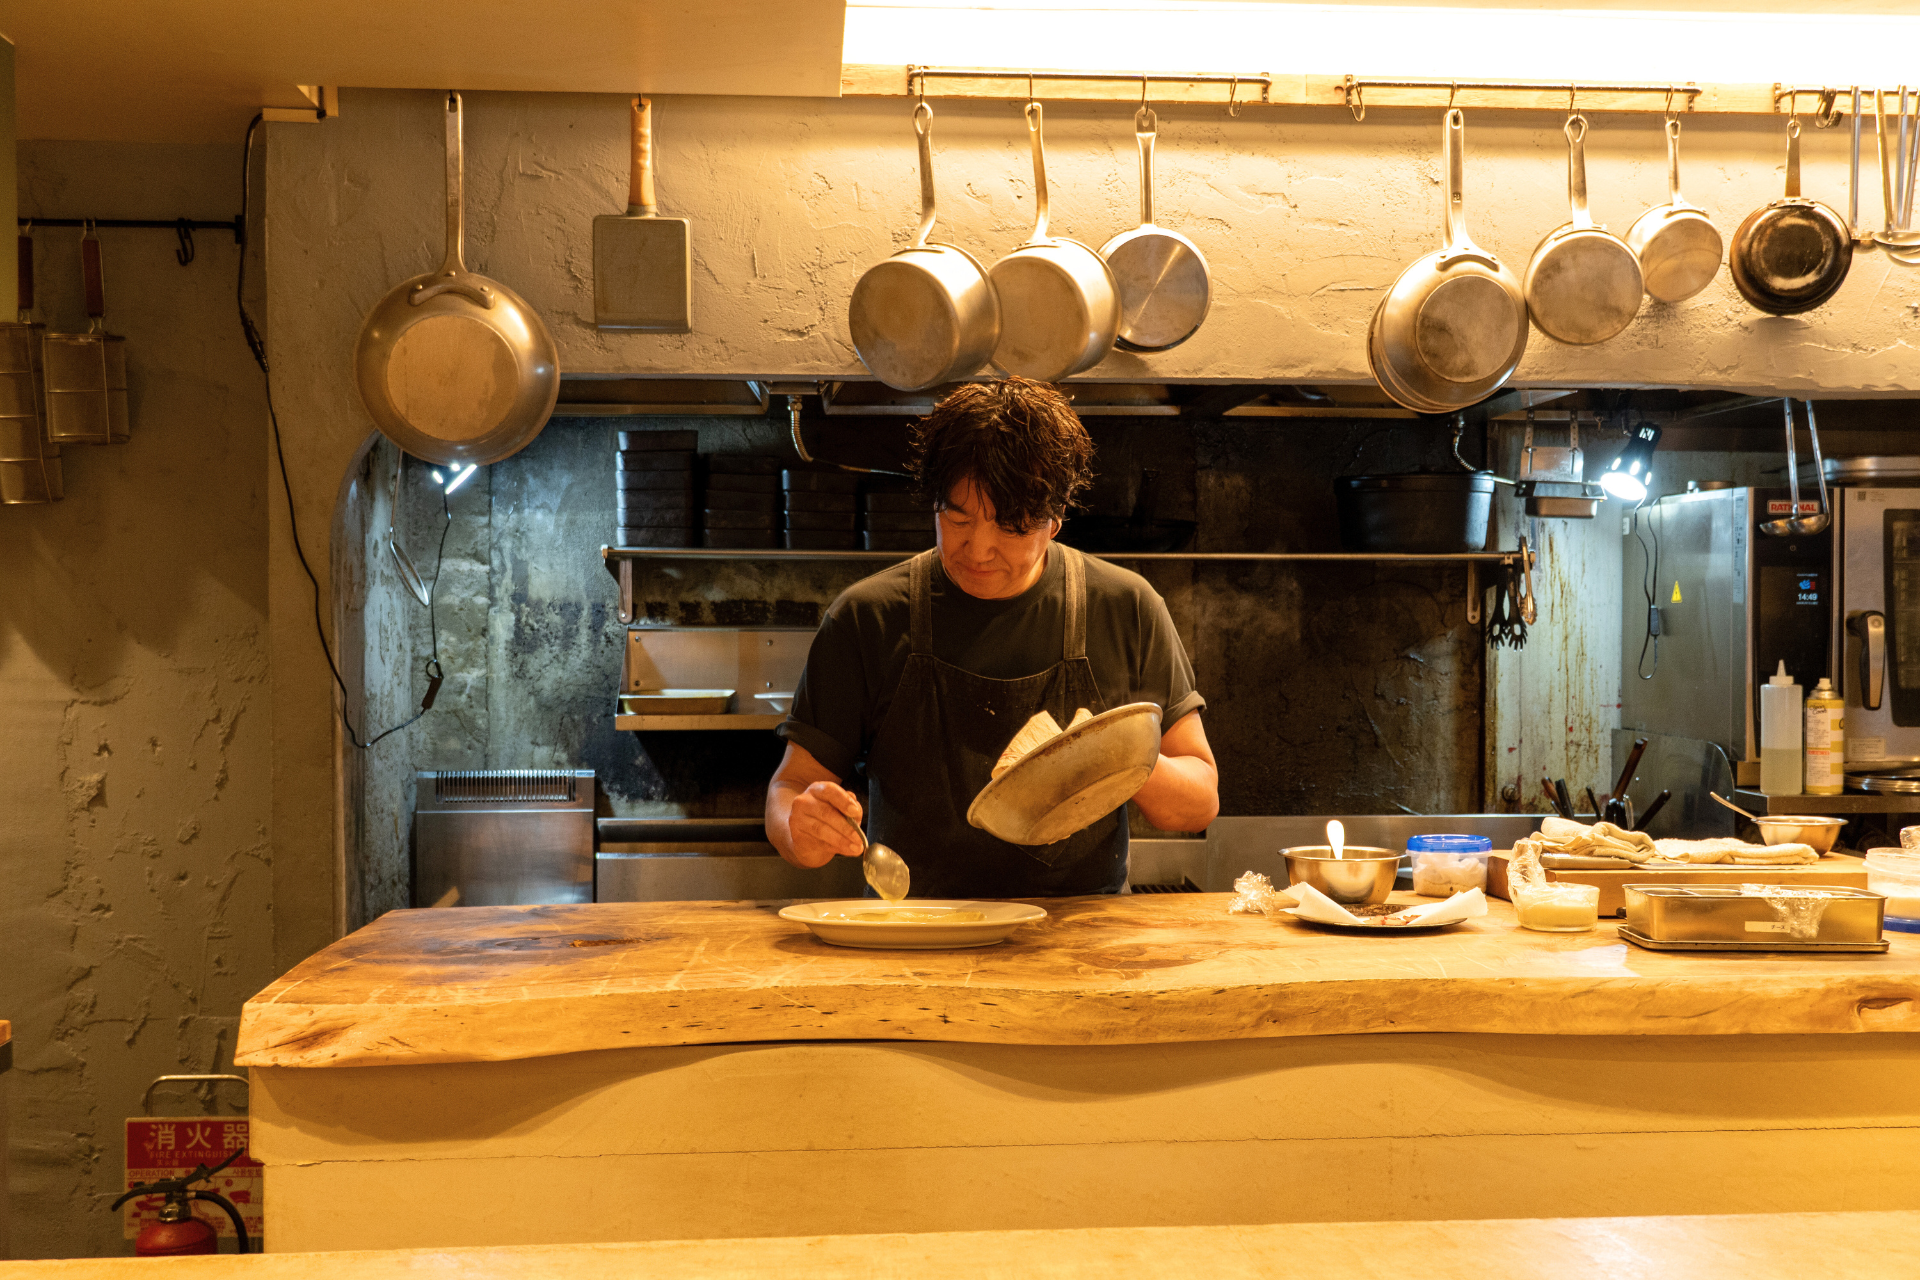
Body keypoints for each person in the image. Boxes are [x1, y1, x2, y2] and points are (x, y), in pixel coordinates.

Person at [765, 377, 1217, 897]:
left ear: (1056, 518)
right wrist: (800, 828)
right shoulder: (866, 618)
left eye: (1011, 527)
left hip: (1082, 944)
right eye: (956, 518)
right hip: (915, 936)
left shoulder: (1127, 607)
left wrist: (1118, 758)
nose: (977, 549)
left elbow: (1199, 799)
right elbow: (789, 787)